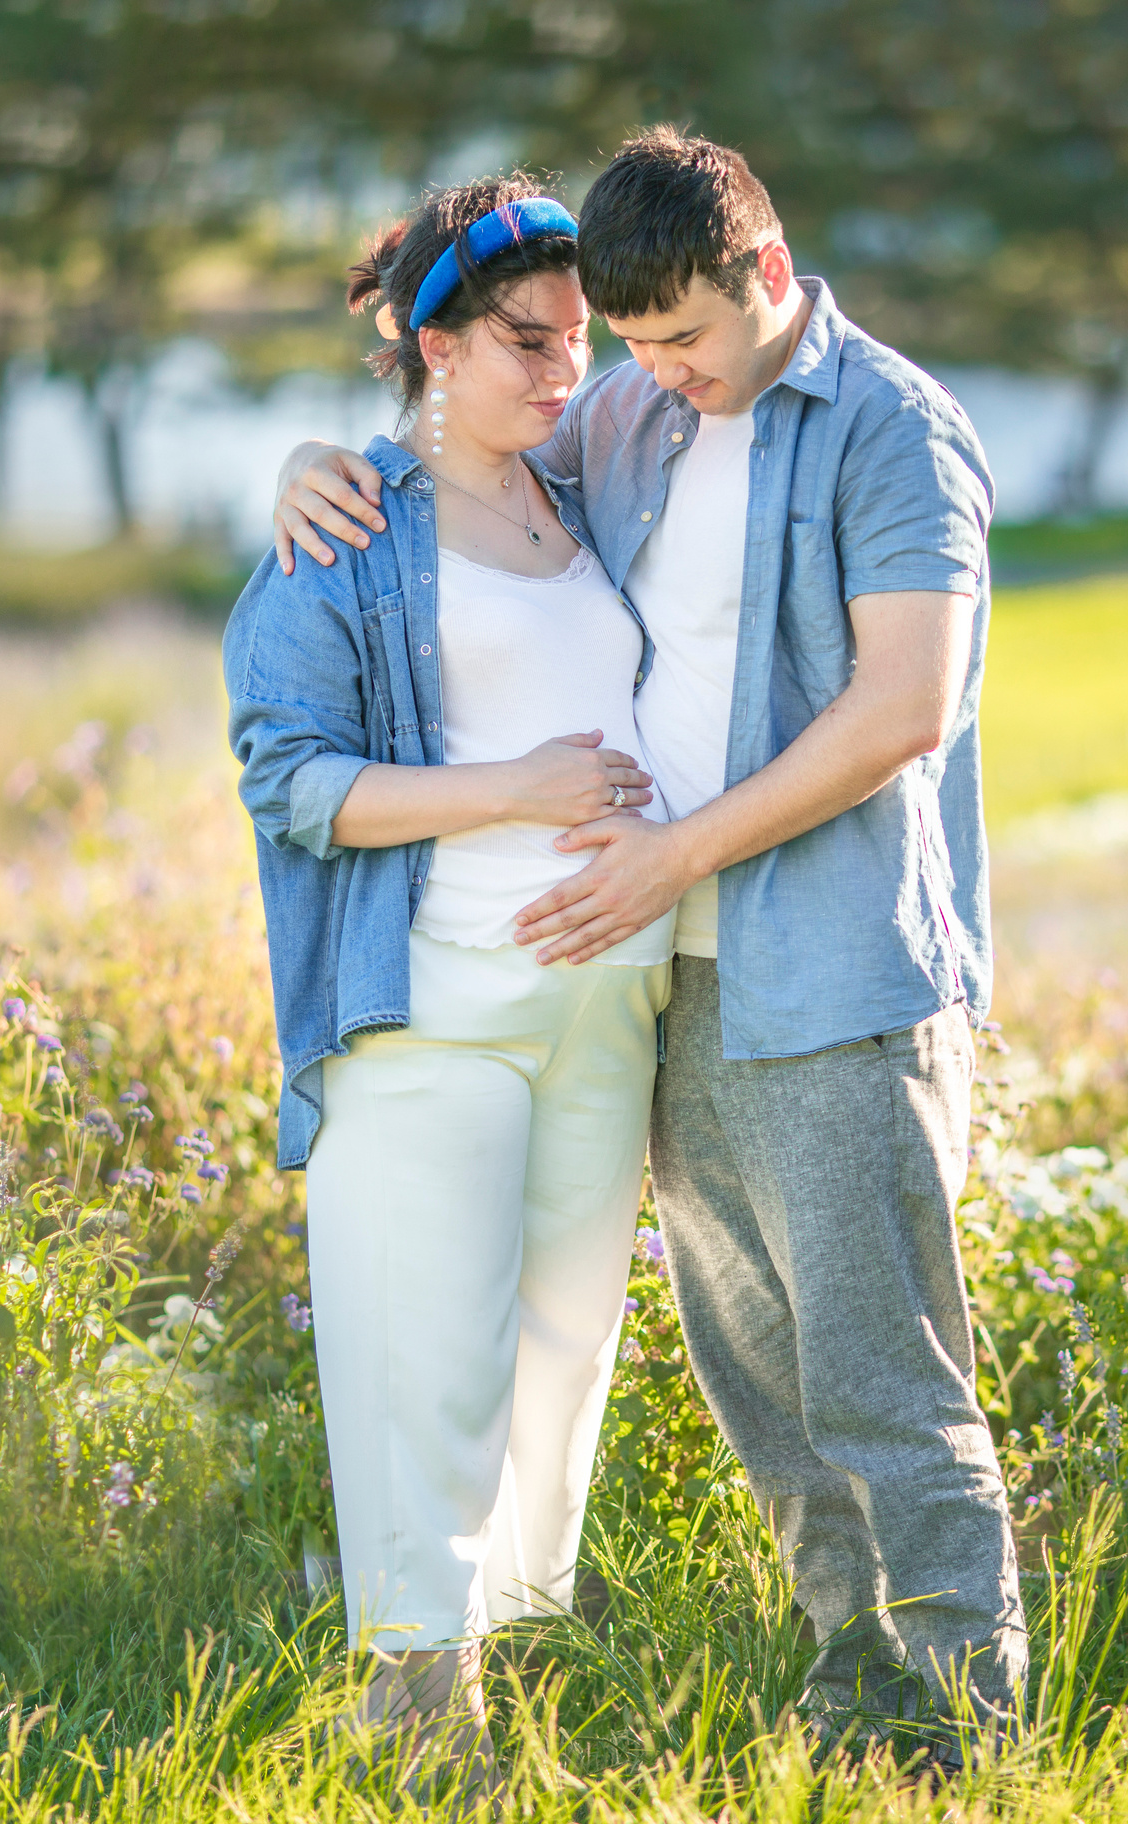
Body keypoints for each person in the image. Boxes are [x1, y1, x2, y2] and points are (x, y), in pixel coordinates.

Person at [269, 128, 1024, 1762]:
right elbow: (447, 473)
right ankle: (852, 1688)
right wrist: (311, 464)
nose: (650, 376)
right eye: (628, 347)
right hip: (664, 981)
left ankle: (969, 1725)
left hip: (830, 971)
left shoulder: (890, 429)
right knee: (760, 1383)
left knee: (881, 1373)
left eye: (680, 338)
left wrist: (673, 850)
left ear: (765, 271)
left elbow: (907, 706)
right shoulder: (636, 415)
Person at [223, 172, 672, 1787]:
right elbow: (292, 780)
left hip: (605, 1007)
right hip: (432, 1009)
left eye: (578, 342)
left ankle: (499, 1686)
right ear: (432, 343)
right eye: (527, 342)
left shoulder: (588, 493)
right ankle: (418, 1729)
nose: (566, 374)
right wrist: (517, 792)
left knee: (557, 1366)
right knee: (427, 1365)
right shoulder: (347, 527)